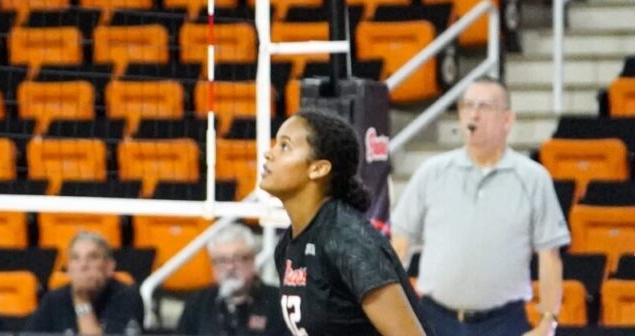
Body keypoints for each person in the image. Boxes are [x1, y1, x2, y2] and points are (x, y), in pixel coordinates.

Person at [389, 80, 567, 336]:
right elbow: (400, 244)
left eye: (484, 106)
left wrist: (548, 322)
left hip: (504, 323)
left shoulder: (533, 178)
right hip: (434, 318)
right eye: (467, 106)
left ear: (507, 119)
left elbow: (550, 255)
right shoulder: (432, 172)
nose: (474, 114)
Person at [258, 111, 425, 336]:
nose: (269, 154)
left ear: (318, 168)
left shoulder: (348, 240)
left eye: (285, 146)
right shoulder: (287, 247)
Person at [176, 223, 289, 336]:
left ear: (252, 260)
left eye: (237, 258)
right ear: (213, 265)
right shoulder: (197, 303)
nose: (230, 267)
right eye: (222, 260)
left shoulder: (279, 302)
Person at [25, 233, 145, 335]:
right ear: (68, 269)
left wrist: (81, 300)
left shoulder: (126, 297)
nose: (83, 265)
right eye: (75, 258)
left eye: (93, 257)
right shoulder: (53, 300)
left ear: (109, 267)